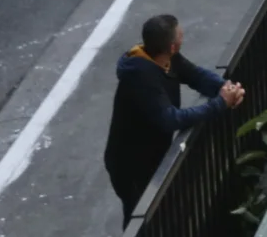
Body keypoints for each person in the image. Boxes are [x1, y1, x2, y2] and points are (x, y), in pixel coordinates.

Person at [104, 12, 246, 220]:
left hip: (152, 154)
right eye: (180, 35)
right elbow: (171, 119)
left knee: (159, 211)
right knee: (139, 217)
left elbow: (195, 75)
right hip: (130, 164)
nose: (183, 37)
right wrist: (220, 104)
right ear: (172, 46)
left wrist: (226, 88)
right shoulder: (141, 77)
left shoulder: (166, 58)